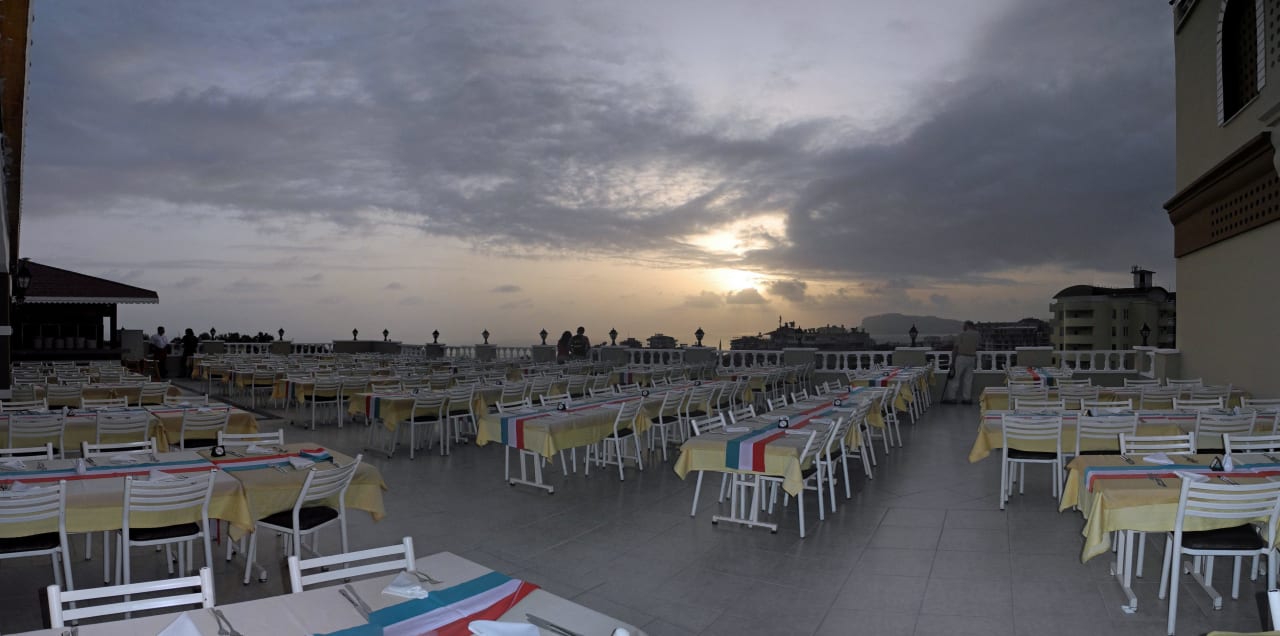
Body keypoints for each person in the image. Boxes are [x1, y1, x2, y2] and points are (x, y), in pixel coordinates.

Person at [943, 321, 980, 404]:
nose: (963, 327)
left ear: (967, 325)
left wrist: (952, 362)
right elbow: (977, 346)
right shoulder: (977, 335)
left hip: (961, 357)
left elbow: (955, 349)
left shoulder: (962, 335)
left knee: (955, 378)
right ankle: (967, 399)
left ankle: (951, 398)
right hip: (972, 358)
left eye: (964, 325)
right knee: (968, 379)